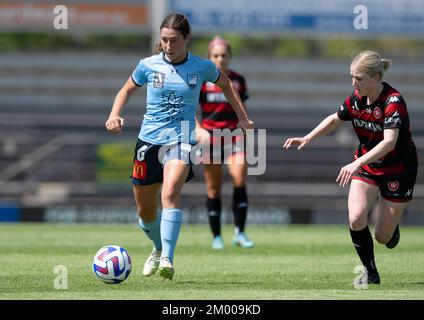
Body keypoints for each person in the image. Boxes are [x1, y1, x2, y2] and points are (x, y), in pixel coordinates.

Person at [105, 14, 254, 281]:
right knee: (145, 212)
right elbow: (125, 90)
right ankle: (158, 246)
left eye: (173, 40)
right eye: (164, 40)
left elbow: (226, 85)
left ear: (187, 39)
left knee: (171, 191)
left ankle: (167, 258)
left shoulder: (201, 66)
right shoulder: (147, 65)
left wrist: (241, 116)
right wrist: (114, 114)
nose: (168, 45)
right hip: (149, 140)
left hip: (182, 139)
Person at [283, 50, 418, 285]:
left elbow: (389, 143)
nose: (354, 83)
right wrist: (308, 137)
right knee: (356, 218)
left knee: (382, 236)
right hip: (367, 166)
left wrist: (355, 163)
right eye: (352, 77)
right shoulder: (356, 98)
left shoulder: (393, 101)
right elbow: (336, 118)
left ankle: (391, 227)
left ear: (376, 77)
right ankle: (370, 271)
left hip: (398, 169)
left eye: (359, 78)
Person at [196, 36, 254, 250]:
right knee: (213, 189)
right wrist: (198, 128)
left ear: (229, 57)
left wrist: (245, 125)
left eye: (224, 55)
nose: (220, 58)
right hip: (209, 137)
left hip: (233, 135)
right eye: (216, 55)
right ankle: (217, 236)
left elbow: (242, 107)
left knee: (239, 178)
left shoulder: (238, 80)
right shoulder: (202, 80)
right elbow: (190, 106)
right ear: (209, 57)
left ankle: (240, 232)